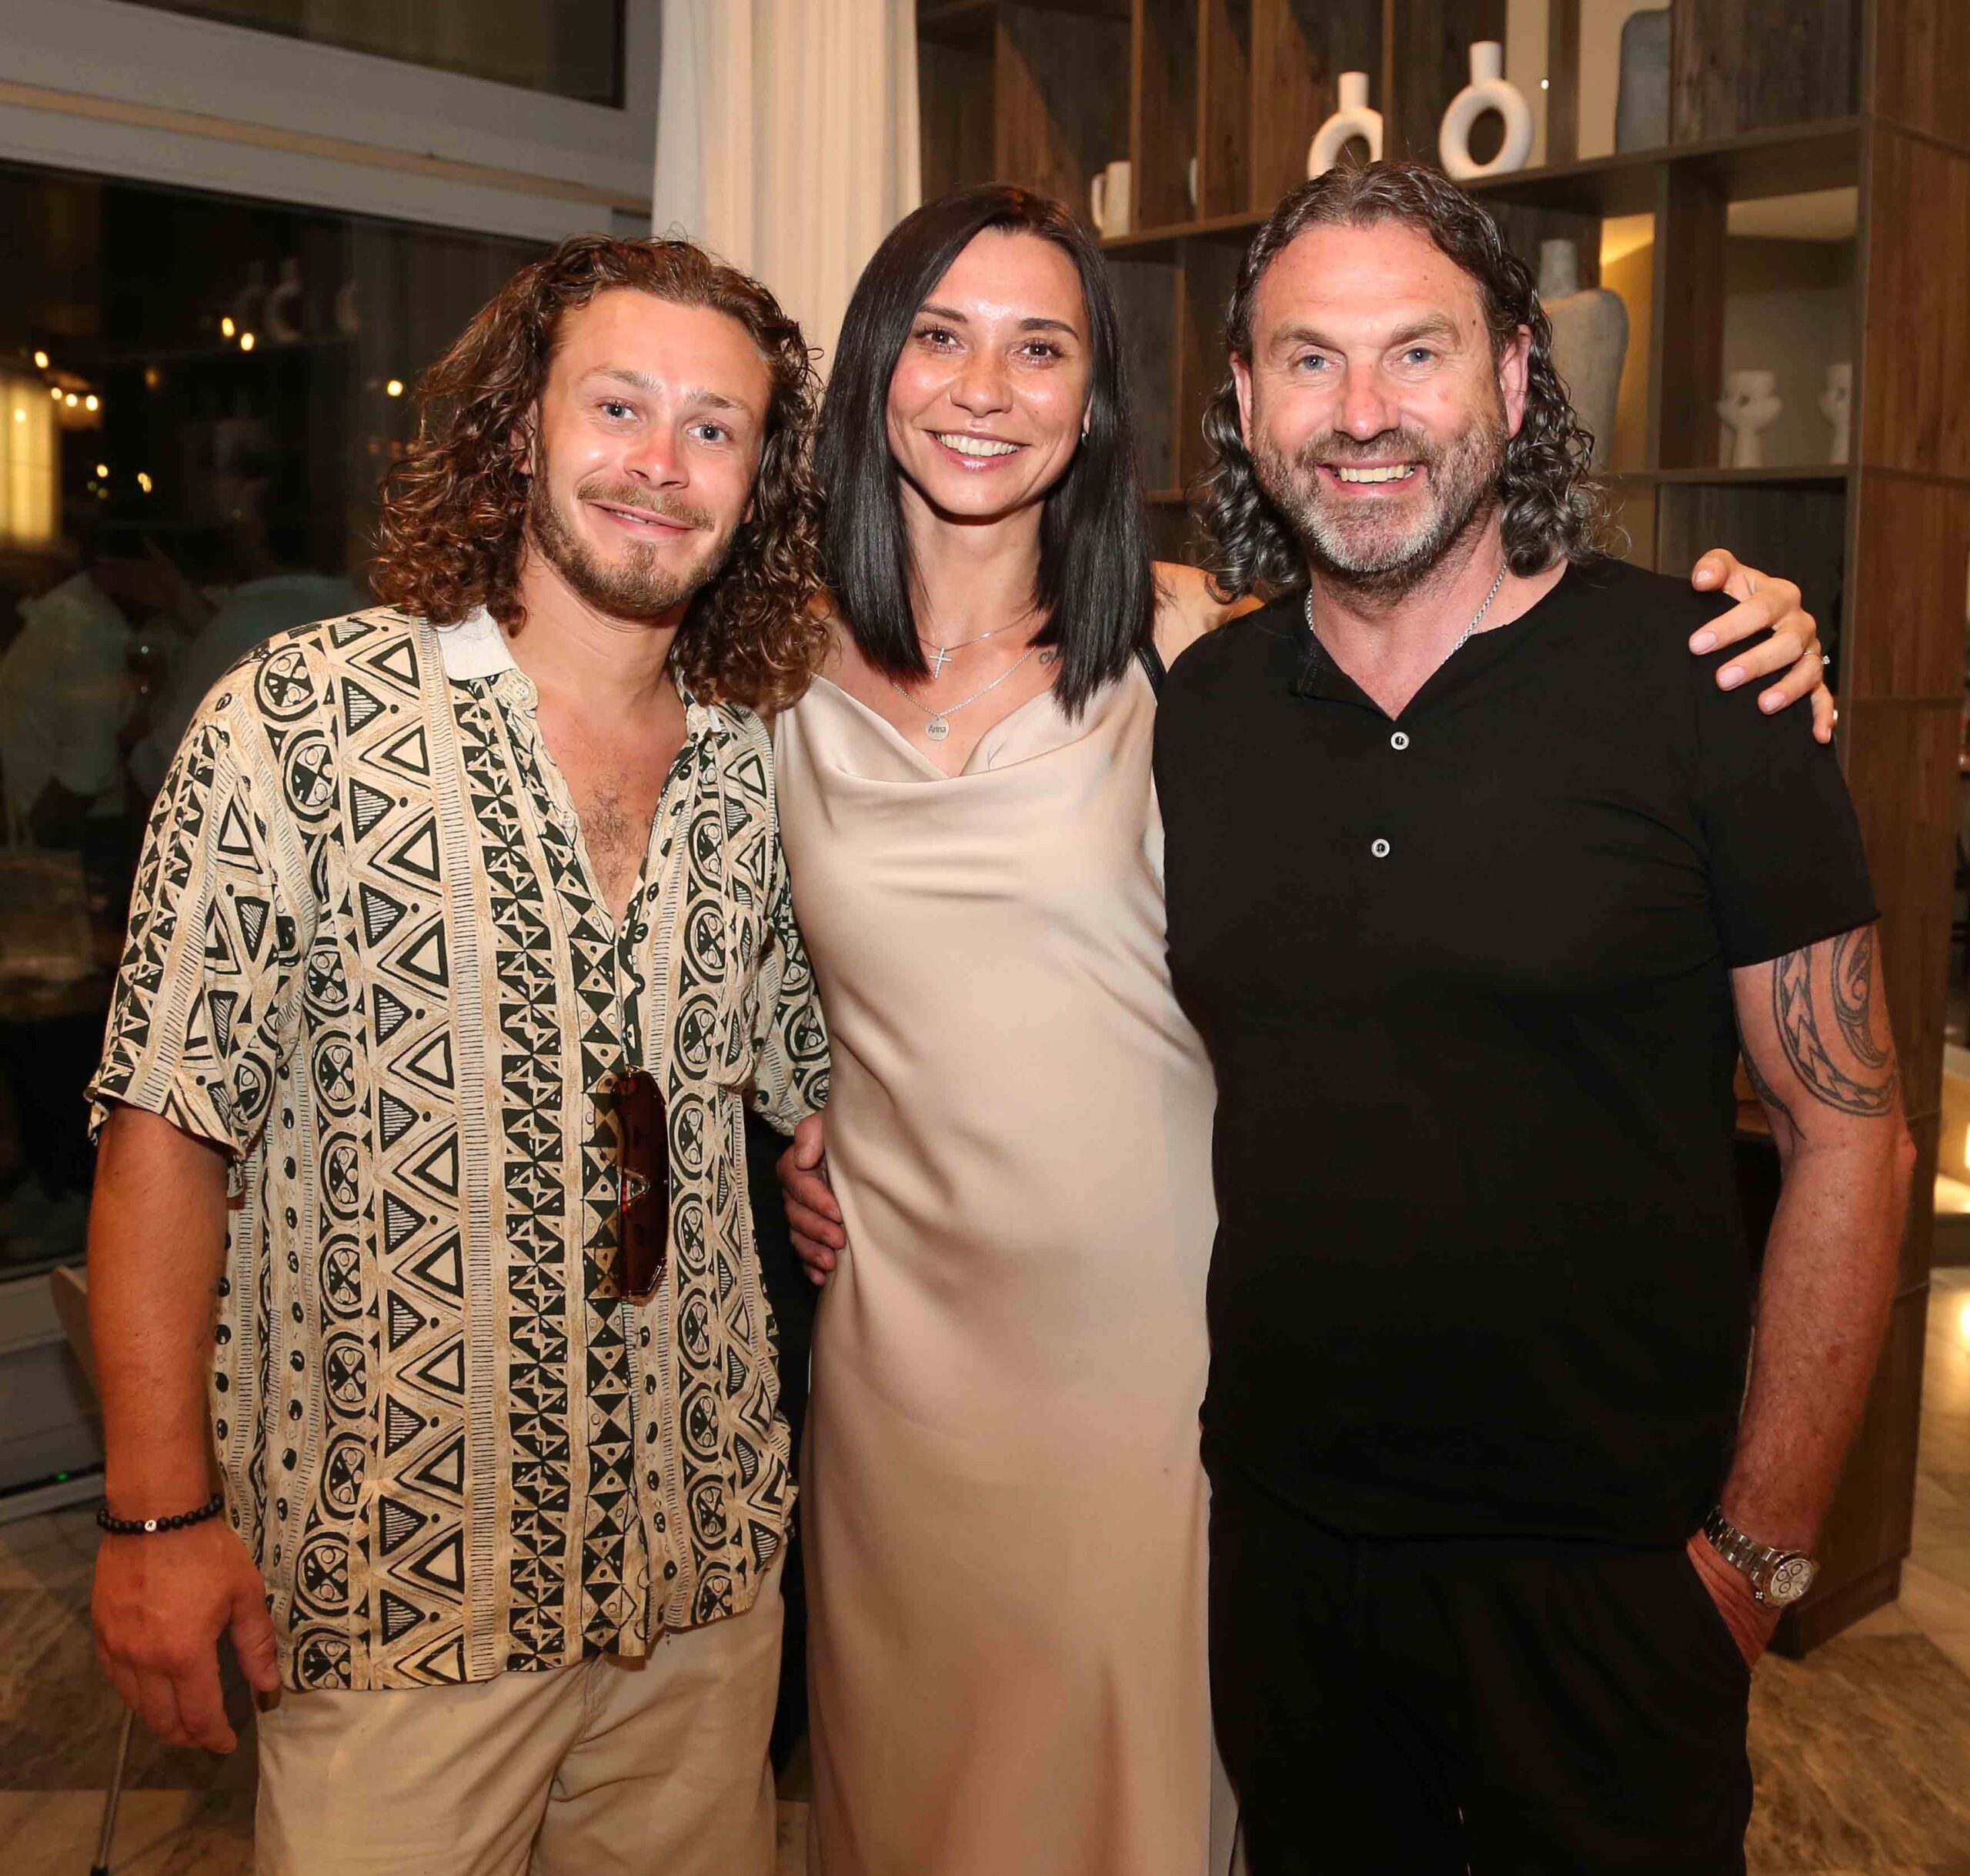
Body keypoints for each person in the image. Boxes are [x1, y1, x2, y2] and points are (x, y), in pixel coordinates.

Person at [773, 183, 1835, 1876]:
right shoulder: (762, 668)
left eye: (1040, 346)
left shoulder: (1190, 641)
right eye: (941, 336)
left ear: (1099, 397)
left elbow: (1453, 628)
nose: (984, 387)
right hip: (904, 1355)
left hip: (1166, 1349)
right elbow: (746, 963)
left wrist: (1764, 622)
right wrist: (808, 1116)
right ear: (872, 370)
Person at [1154, 161, 1912, 1873]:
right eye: (1309, 359)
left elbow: (1850, 1126)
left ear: (1509, 375)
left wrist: (1755, 1559)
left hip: (1614, 1578)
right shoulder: (1202, 705)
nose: (1363, 412)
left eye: (1415, 353)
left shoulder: (1709, 681)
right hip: (1286, 1552)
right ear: (1246, 402)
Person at [84, 235, 830, 1876]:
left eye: (714, 427)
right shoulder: (301, 723)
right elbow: (164, 1127)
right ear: (517, 428)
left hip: (701, 1586)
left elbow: (818, 1070)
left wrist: (840, 1146)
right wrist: (156, 1513)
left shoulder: (748, 766)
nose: (661, 461)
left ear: (759, 481)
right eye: (617, 406)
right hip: (405, 1596)